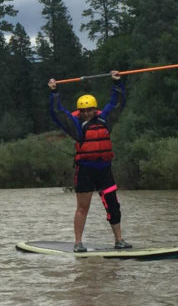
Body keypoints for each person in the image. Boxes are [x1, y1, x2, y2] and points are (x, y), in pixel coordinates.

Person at [48, 71, 132, 252]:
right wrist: (54, 93)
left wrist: (117, 83)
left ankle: (119, 240)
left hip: (104, 170)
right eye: (84, 110)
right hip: (85, 170)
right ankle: (78, 243)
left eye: (90, 110)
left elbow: (116, 103)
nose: (87, 113)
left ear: (95, 109)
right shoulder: (76, 124)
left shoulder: (105, 119)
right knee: (82, 208)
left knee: (113, 206)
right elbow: (58, 113)